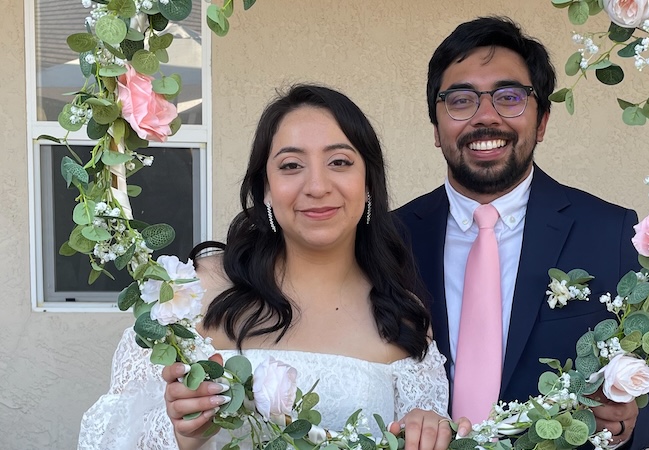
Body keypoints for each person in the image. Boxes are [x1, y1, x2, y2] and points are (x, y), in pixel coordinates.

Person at [79, 85, 456, 450]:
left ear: (369, 182)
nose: (317, 185)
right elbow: (112, 433)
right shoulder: (195, 294)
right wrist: (183, 435)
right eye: (291, 165)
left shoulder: (403, 318)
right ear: (266, 189)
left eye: (339, 162)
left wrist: (427, 428)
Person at [394, 17, 649, 449]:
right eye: (461, 100)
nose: (485, 117)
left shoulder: (610, 232)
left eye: (510, 97)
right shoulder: (389, 237)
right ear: (436, 127)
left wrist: (626, 422)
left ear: (542, 121)